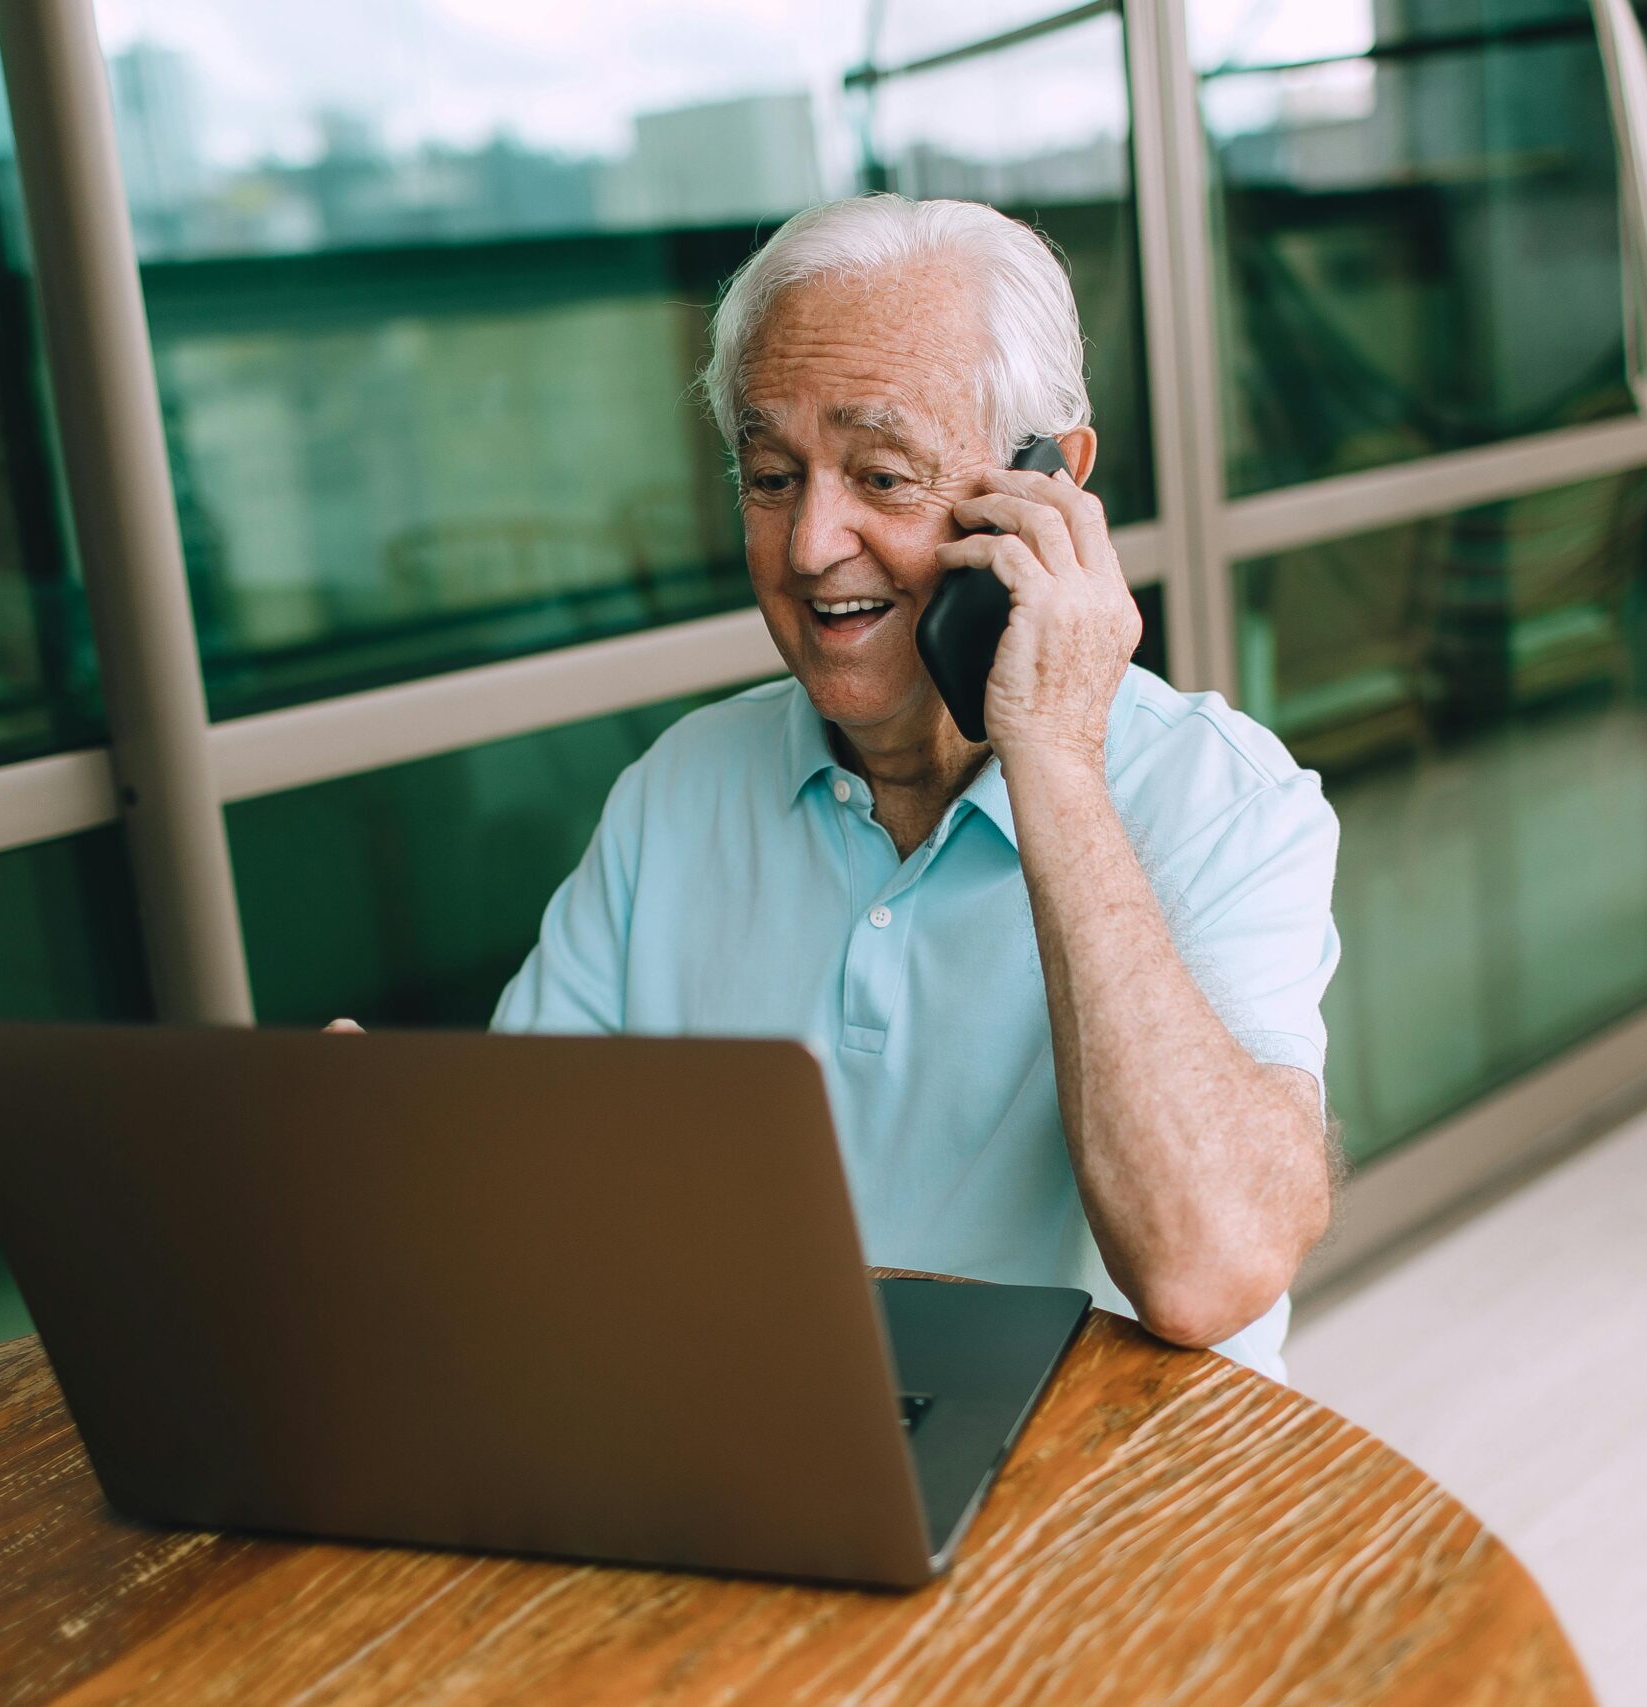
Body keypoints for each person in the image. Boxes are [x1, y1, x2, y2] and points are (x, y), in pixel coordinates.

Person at [355, 194, 1341, 1379]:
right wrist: (390, 1153)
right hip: (759, 1434)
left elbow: (1211, 1267)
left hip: (1100, 1503)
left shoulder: (1228, 803)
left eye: (881, 476)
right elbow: (532, 1183)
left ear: (1051, 488)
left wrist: (1054, 759)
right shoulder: (679, 791)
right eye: (771, 476)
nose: (812, 545)